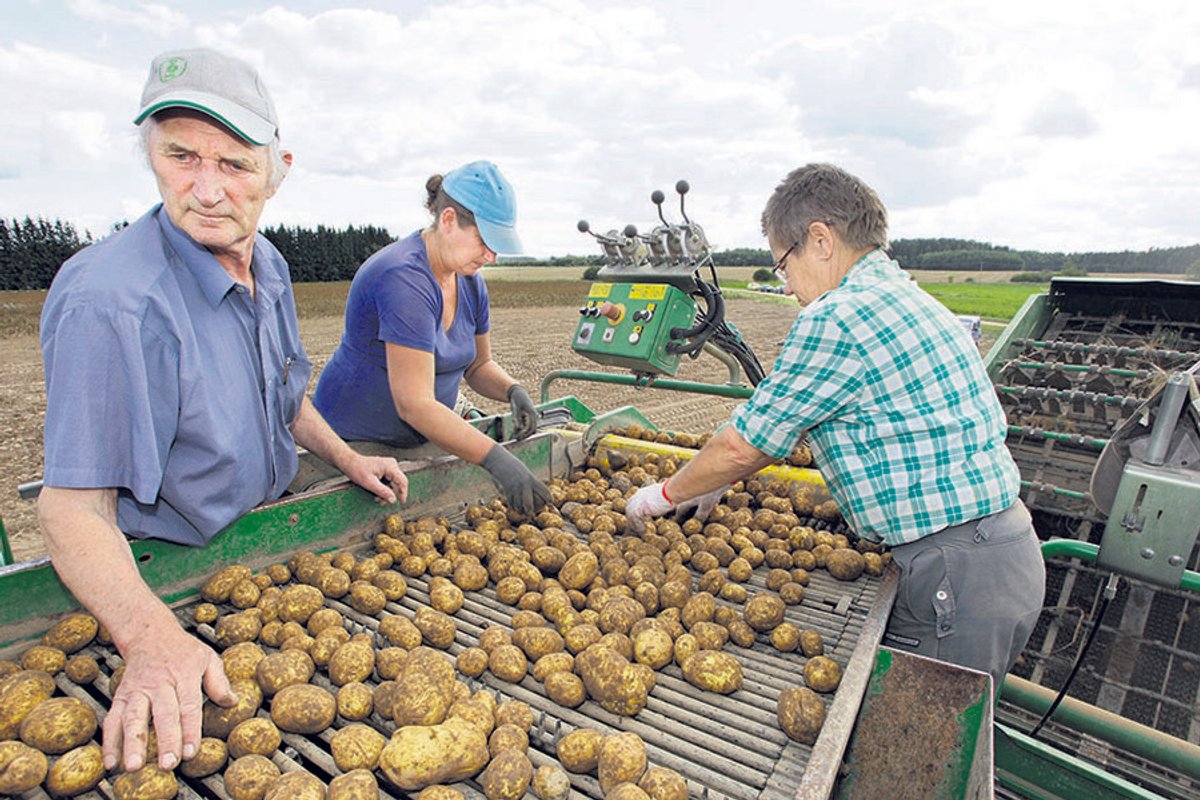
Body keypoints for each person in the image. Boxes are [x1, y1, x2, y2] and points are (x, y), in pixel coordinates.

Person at [37, 48, 408, 775]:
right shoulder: (111, 302)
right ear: (149, 153)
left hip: (261, 541)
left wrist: (348, 457)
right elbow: (70, 509)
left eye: (234, 163)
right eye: (181, 156)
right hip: (160, 575)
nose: (207, 190)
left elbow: (285, 399)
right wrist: (148, 637)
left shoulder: (267, 265)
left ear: (277, 169)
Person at [625, 163, 1045, 692]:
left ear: (819, 240)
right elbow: (822, 413)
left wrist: (663, 495)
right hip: (995, 557)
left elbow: (741, 444)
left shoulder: (838, 316)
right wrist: (717, 480)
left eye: (782, 265)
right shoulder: (913, 301)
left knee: (914, 753)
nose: (788, 285)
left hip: (953, 575)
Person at [313, 161, 552, 517]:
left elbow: (478, 365)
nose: (492, 256)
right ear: (449, 220)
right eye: (486, 241)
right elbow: (415, 404)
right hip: (357, 446)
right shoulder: (403, 278)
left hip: (422, 441)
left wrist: (513, 391)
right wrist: (498, 460)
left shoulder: (470, 280)